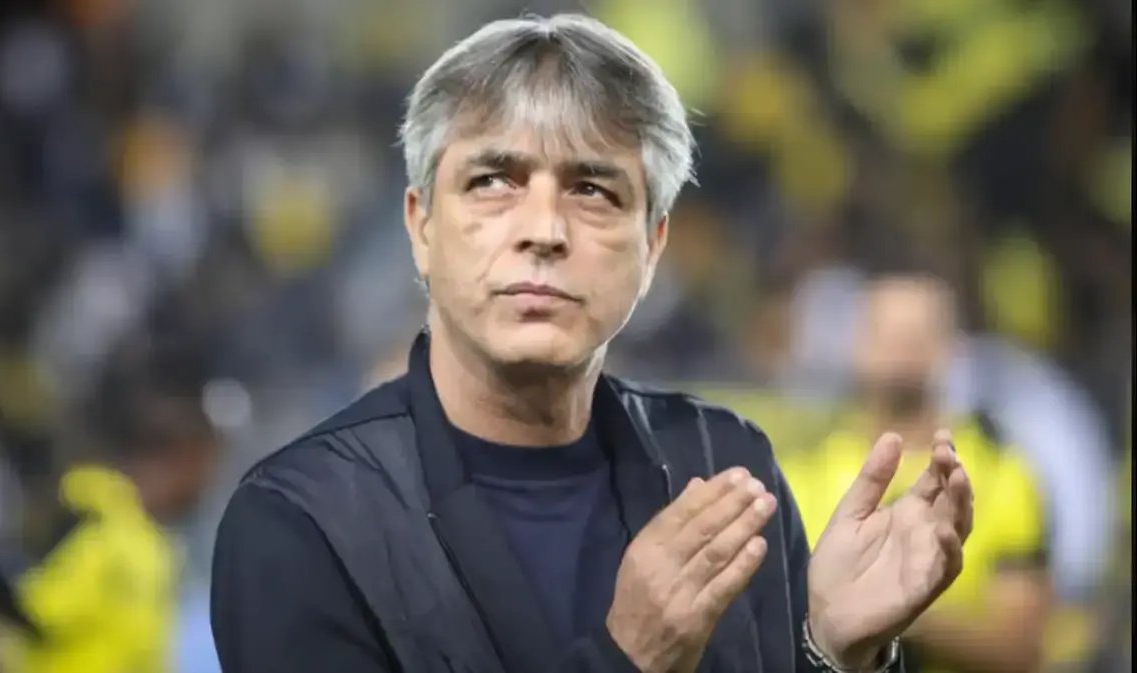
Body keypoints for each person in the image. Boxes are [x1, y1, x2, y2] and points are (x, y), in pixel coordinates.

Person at [210, 14, 974, 673]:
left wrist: (833, 651)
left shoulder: (726, 467)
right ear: (421, 227)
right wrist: (626, 656)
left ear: (654, 246)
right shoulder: (303, 520)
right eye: (493, 181)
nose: (544, 230)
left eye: (592, 190)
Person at [780, 273, 1051, 672]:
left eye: (918, 333)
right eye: (887, 332)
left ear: (953, 348)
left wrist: (902, 613)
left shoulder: (1003, 476)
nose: (902, 347)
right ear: (856, 344)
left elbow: (1021, 650)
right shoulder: (799, 475)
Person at [0, 382, 221, 673]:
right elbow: (14, 624)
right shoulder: (88, 522)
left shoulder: (144, 540)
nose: (208, 481)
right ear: (182, 459)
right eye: (205, 465)